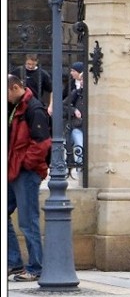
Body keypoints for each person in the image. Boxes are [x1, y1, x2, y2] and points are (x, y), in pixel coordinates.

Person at [7, 74, 52, 282]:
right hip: (13, 170)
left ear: (15, 88)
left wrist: (25, 163)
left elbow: (42, 144)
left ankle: (36, 267)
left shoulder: (33, 109)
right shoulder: (16, 107)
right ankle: (14, 263)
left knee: (28, 221)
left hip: (25, 172)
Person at [63, 62, 85, 172]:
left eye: (83, 80)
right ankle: (79, 169)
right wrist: (74, 110)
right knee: (79, 147)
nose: (81, 82)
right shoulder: (77, 92)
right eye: (80, 80)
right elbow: (64, 103)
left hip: (90, 126)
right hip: (78, 125)